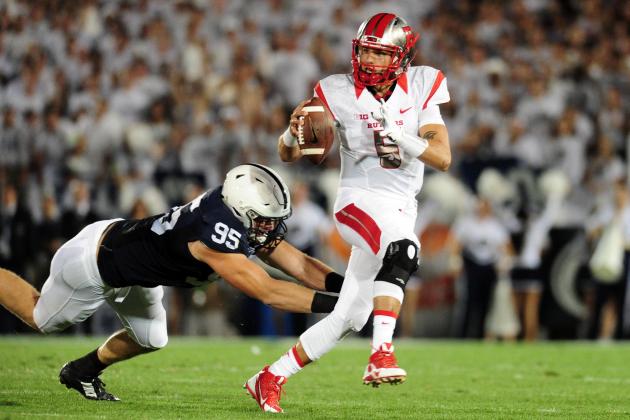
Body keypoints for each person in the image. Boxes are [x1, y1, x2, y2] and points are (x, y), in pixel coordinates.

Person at [245, 13, 452, 413]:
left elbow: (442, 156)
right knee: (405, 250)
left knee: (350, 315)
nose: (371, 60)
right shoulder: (335, 91)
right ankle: (382, 354)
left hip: (400, 206)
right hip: (357, 199)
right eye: (366, 51)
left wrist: (403, 139)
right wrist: (291, 133)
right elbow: (288, 154)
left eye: (380, 53)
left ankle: (269, 377)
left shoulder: (425, 83)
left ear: (402, 58)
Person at [0, 163, 345, 402]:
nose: (271, 229)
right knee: (41, 318)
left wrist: (350, 287)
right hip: (93, 262)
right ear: (242, 210)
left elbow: (299, 263)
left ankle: (81, 372)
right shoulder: (213, 234)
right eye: (265, 221)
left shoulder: (235, 215)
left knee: (151, 338)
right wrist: (343, 306)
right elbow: (270, 292)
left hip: (134, 266)